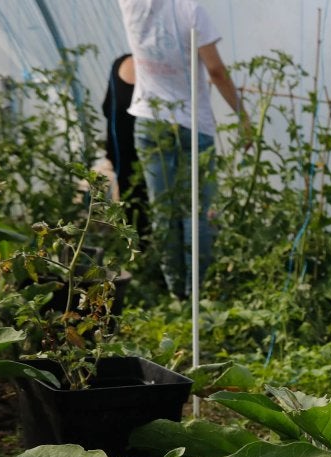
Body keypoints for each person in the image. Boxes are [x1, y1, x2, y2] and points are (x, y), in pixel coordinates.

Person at [116, 0, 248, 298]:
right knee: (197, 211)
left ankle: (176, 292)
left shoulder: (129, 3)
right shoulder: (190, 10)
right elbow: (216, 71)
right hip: (191, 124)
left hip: (149, 120)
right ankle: (197, 292)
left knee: (164, 209)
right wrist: (244, 116)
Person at [101, 52, 150, 240]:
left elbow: (106, 107)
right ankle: (149, 255)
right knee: (150, 203)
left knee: (130, 200)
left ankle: (135, 251)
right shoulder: (156, 72)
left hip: (119, 148)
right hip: (144, 151)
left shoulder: (119, 63)